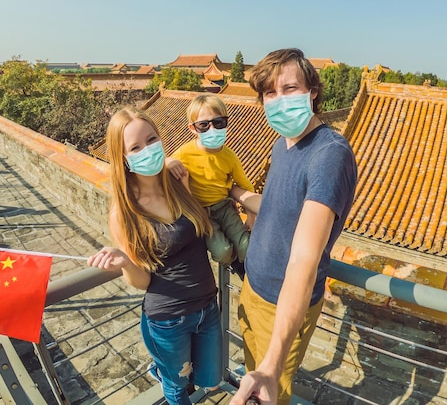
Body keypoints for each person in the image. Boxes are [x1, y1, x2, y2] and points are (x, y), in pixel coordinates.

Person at [230, 48, 358, 405]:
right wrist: (233, 191)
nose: (279, 100)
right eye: (270, 93)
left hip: (281, 306)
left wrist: (272, 366)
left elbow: (304, 260)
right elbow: (277, 207)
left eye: (289, 88)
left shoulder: (328, 154)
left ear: (312, 91)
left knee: (269, 388)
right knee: (250, 372)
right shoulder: (282, 143)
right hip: (252, 288)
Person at [87, 106, 222, 405]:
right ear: (123, 158)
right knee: (178, 389)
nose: (147, 150)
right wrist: (124, 261)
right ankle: (167, 374)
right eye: (135, 147)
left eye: (151, 140)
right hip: (168, 319)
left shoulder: (176, 183)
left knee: (211, 381)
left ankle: (163, 370)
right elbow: (142, 281)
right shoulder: (125, 212)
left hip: (207, 307)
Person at [168, 94, 256, 279]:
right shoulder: (184, 153)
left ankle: (246, 269)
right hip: (201, 212)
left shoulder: (229, 156)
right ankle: (234, 263)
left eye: (218, 122)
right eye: (204, 125)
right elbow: (162, 166)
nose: (212, 129)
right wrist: (167, 162)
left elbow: (245, 185)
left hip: (224, 207)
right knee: (221, 252)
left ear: (226, 122)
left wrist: (251, 216)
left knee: (246, 245)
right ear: (192, 128)